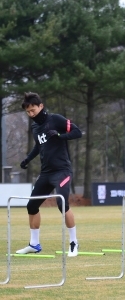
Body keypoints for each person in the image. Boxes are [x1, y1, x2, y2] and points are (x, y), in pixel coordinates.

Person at [16, 92, 83, 257]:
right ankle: (34, 244)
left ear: (41, 106)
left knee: (62, 204)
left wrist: (60, 135)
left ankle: (74, 243)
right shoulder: (34, 127)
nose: (31, 114)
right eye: (28, 112)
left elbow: (77, 132)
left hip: (62, 171)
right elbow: (39, 146)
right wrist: (28, 159)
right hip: (46, 173)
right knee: (31, 206)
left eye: (33, 110)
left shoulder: (56, 119)